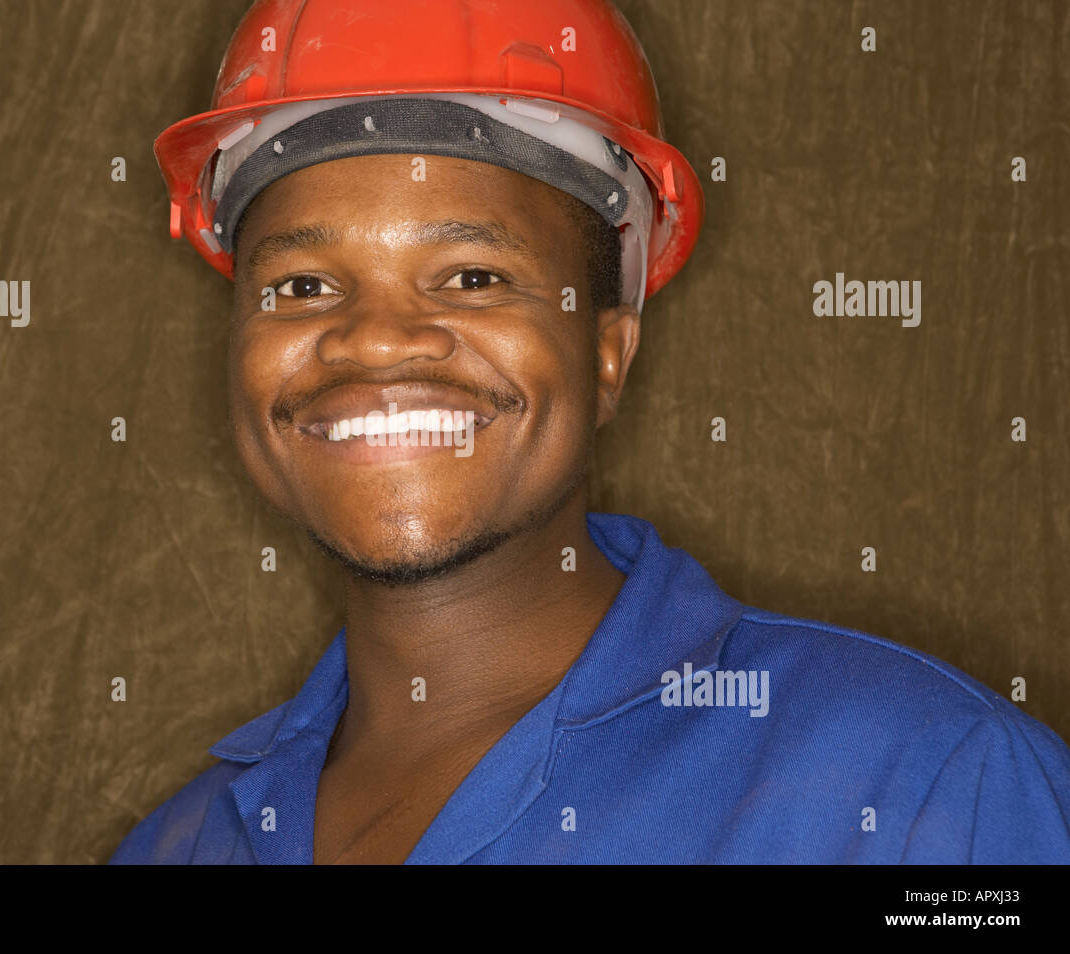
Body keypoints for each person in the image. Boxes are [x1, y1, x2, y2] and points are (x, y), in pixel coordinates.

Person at [111, 0, 1070, 864]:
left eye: (474, 276)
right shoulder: (187, 845)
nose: (374, 338)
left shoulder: (923, 786)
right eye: (302, 287)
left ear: (607, 353)